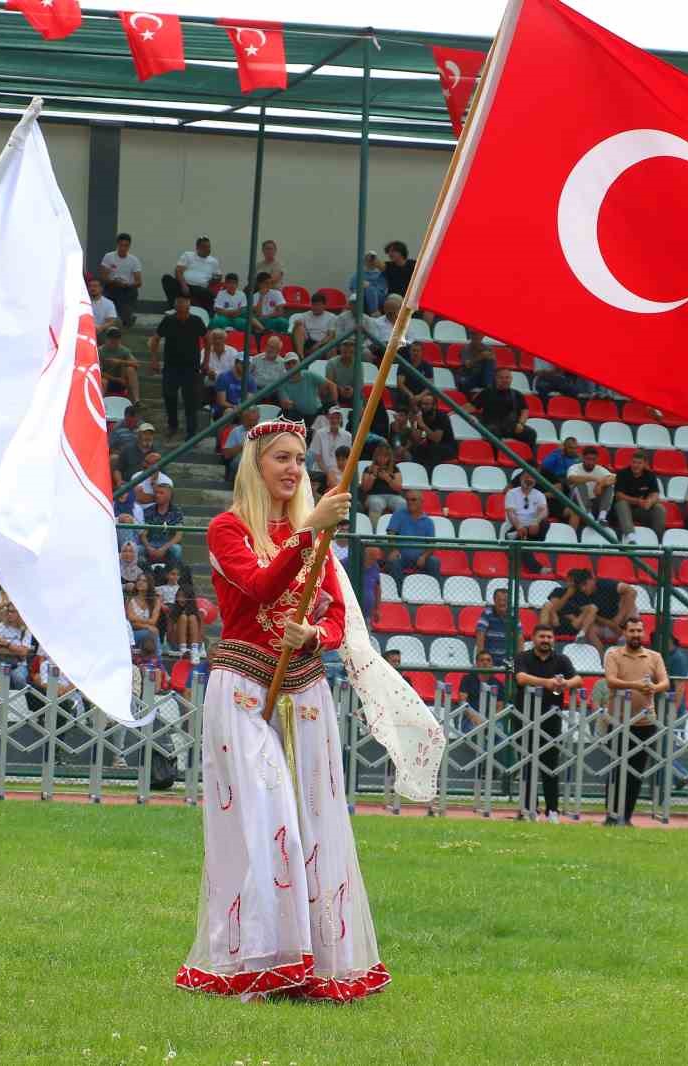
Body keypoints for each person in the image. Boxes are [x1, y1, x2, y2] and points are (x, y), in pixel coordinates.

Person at [177, 415, 391, 1002]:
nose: (294, 469)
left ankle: (317, 963)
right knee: (271, 821)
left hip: (305, 689)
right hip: (245, 688)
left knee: (317, 824)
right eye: (282, 458)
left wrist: (315, 634)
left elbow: (338, 612)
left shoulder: (313, 531)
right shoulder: (229, 529)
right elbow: (262, 587)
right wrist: (306, 535)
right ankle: (262, 958)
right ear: (257, 465)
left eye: (299, 458)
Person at [602, 617, 669, 825]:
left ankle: (627, 816)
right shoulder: (613, 654)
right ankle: (612, 816)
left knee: (636, 772)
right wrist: (636, 685)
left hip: (645, 723)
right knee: (616, 769)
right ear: (624, 633)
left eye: (639, 631)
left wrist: (653, 688)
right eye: (632, 631)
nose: (636, 635)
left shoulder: (654, 656)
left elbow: (665, 682)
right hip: (619, 722)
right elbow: (611, 681)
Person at [514, 624, 579, 822]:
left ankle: (553, 810)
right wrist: (547, 682)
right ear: (533, 638)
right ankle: (528, 809)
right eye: (542, 636)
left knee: (550, 766)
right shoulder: (522, 658)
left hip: (551, 719)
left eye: (549, 637)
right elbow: (521, 678)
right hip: (524, 718)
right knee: (527, 764)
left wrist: (563, 684)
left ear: (554, 640)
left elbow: (578, 680)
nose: (545, 640)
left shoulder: (562, 660)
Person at [150, 294, 207, 438]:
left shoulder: (196, 321)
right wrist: (154, 359)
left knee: (190, 401)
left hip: (191, 367)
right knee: (169, 396)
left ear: (189, 306)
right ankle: (172, 425)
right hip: (171, 366)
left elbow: (207, 339)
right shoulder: (168, 320)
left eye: (184, 303)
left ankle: (191, 431)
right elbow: (155, 339)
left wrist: (206, 361)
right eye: (179, 303)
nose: (181, 306)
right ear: (175, 306)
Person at [542, 568, 636, 652]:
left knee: (626, 604)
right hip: (559, 623)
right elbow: (556, 608)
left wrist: (619, 617)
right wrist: (567, 595)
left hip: (577, 623)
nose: (571, 584)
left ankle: (625, 637)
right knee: (547, 605)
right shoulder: (562, 591)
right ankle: (543, 631)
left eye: (573, 582)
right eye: (569, 581)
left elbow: (632, 591)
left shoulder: (587, 593)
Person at [385, 490, 439, 580]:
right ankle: (399, 591)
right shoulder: (399, 514)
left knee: (434, 562)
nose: (410, 502)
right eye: (408, 500)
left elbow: (432, 545)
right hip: (401, 556)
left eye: (413, 500)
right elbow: (391, 533)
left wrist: (424, 557)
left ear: (421, 502)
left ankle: (436, 591)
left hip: (420, 558)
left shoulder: (428, 522)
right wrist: (394, 549)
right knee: (394, 561)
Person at [612, 449, 666, 539]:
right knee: (622, 504)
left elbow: (655, 493)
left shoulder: (650, 475)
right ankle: (630, 536)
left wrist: (650, 501)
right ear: (630, 462)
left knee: (659, 508)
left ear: (645, 464)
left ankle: (657, 539)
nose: (635, 465)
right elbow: (618, 496)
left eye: (639, 463)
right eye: (634, 462)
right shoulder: (622, 474)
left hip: (640, 510)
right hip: (622, 510)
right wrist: (637, 501)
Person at [161, 234, 219, 312]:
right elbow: (178, 271)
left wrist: (213, 280)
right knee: (166, 278)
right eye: (204, 247)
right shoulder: (188, 255)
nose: (208, 249)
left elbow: (218, 276)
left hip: (200, 289)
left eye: (209, 247)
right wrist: (184, 285)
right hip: (184, 285)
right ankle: (174, 308)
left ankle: (194, 306)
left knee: (208, 294)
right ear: (197, 248)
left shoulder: (213, 261)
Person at [563, 446, 616, 527]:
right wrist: (593, 479)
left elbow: (613, 478)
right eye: (588, 459)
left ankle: (602, 517)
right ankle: (589, 517)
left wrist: (600, 485)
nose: (591, 462)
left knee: (609, 487)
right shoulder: (574, 467)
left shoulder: (600, 469)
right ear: (583, 458)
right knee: (580, 484)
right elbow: (571, 478)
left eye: (593, 459)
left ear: (597, 459)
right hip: (576, 503)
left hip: (594, 503)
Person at [98, 232, 142, 326]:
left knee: (125, 296)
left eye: (126, 246)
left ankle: (126, 317)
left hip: (127, 288)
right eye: (121, 245)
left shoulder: (134, 260)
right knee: (116, 293)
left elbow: (138, 282)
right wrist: (114, 281)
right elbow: (103, 277)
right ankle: (125, 317)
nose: (123, 248)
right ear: (117, 245)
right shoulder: (109, 257)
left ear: (129, 246)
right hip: (111, 286)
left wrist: (128, 284)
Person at [359, 441, 405, 522]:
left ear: (389, 457)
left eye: (385, 456)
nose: (382, 459)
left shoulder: (395, 469)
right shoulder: (368, 469)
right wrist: (373, 475)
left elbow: (399, 488)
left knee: (402, 503)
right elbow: (364, 488)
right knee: (376, 503)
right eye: (379, 456)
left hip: (393, 496)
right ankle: (374, 532)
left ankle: (398, 530)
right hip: (374, 495)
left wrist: (387, 478)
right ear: (375, 457)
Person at [473, 588, 515, 662]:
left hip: (508, 660)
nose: (502, 603)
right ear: (494, 600)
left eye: (505, 600)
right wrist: (481, 659)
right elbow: (480, 634)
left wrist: (519, 661)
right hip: (489, 661)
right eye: (499, 600)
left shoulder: (513, 615)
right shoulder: (487, 613)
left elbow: (519, 637)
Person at [165, 585, 205, 661]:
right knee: (183, 617)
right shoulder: (172, 611)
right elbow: (169, 635)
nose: (180, 599)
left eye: (183, 596)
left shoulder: (198, 613)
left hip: (194, 644)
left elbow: (201, 635)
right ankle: (183, 650)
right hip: (177, 644)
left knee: (192, 617)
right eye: (178, 596)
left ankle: (194, 650)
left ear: (190, 598)